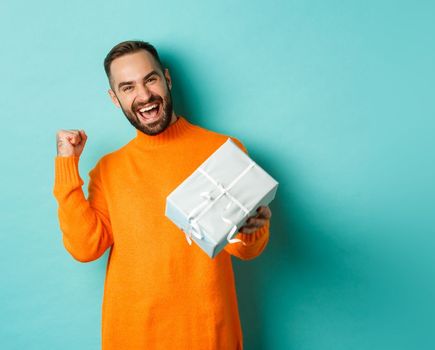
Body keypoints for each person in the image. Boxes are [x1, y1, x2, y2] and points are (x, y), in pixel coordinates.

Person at [53, 40, 272, 349]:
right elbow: (85, 247)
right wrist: (66, 165)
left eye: (150, 79)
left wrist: (253, 225)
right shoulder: (108, 169)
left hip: (207, 335)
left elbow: (245, 250)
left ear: (167, 79)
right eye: (127, 88)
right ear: (114, 99)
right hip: (132, 337)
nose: (144, 96)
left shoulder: (222, 151)